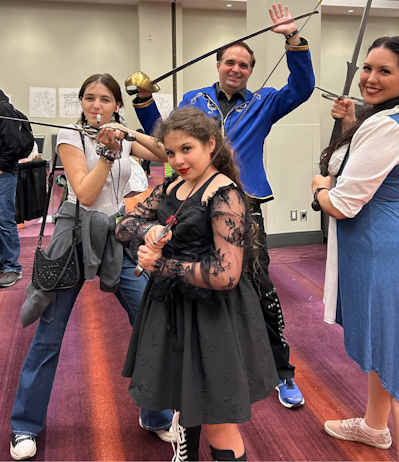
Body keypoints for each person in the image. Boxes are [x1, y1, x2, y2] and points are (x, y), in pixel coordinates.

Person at [132, 2, 315, 409]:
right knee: (193, 282)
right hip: (192, 203)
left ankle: (283, 371)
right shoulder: (194, 100)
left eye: (244, 65)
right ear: (218, 65)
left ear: (250, 71)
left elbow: (301, 89)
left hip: (243, 203)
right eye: (229, 62)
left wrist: (292, 38)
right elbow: (162, 137)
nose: (236, 69)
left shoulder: (265, 102)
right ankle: (192, 370)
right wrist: (144, 99)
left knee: (259, 283)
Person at [9, 73, 174, 461]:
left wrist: (128, 134)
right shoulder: (70, 135)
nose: (95, 105)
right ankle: (24, 425)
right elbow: (84, 192)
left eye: (104, 99)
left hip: (118, 234)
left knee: (151, 322)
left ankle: (155, 413)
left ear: (117, 103)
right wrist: (109, 153)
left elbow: (167, 154)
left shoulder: (120, 131)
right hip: (75, 236)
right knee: (49, 335)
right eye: (88, 98)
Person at [117, 106, 279, 461]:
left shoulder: (225, 194)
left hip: (214, 316)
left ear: (210, 144)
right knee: (184, 400)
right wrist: (149, 233)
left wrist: (162, 263)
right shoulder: (174, 183)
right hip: (172, 307)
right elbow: (123, 224)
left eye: (186, 149)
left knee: (220, 420)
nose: (178, 159)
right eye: (171, 152)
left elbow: (226, 274)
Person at [311, 36, 399, 461]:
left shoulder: (386, 123)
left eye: (384, 71)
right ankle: (373, 427)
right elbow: (364, 167)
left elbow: (344, 203)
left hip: (380, 249)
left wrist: (319, 190)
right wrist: (350, 126)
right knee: (386, 346)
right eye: (367, 68)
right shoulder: (387, 117)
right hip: (373, 246)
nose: (370, 78)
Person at [0, 90, 23, 288]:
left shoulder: (4, 109)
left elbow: (13, 145)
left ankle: (12, 268)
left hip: (4, 174)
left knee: (4, 219)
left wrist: (2, 167)